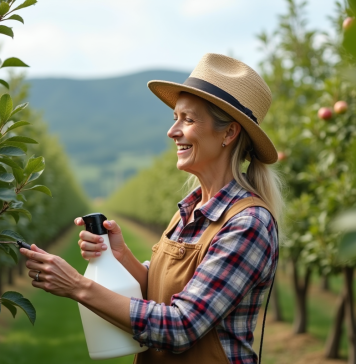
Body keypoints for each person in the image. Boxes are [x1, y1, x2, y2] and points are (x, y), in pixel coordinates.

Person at [20, 53, 283, 364]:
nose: (173, 132)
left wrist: (78, 287)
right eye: (175, 118)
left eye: (188, 119)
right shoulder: (189, 211)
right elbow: (161, 293)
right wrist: (121, 256)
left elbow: (181, 325)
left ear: (228, 132)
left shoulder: (247, 224)